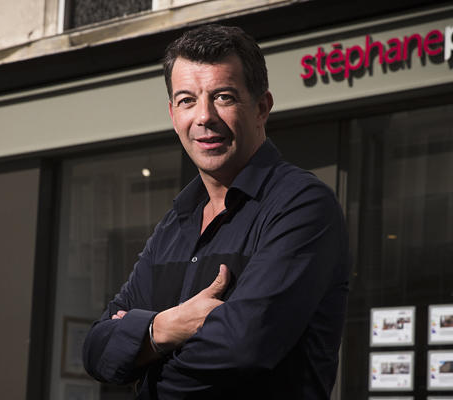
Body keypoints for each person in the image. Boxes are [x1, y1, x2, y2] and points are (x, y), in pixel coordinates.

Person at [82, 24, 350, 399]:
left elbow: (243, 347)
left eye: (223, 97)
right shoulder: (176, 223)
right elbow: (96, 349)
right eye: (187, 100)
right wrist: (168, 326)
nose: (204, 116)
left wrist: (142, 354)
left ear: (261, 108)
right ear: (172, 113)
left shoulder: (302, 205)